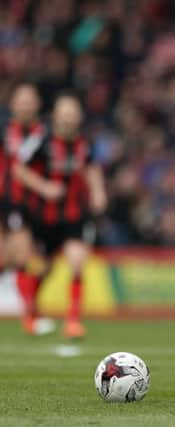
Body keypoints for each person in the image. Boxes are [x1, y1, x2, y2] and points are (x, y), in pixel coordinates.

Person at [14, 94, 107, 339]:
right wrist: (44, 187)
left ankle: (73, 321)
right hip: (45, 218)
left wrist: (98, 192)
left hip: (75, 215)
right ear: (55, 115)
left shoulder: (84, 142)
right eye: (64, 113)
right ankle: (31, 311)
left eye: (73, 113)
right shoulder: (41, 140)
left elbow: (91, 166)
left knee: (77, 263)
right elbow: (19, 169)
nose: (68, 118)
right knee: (43, 268)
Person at [0, 83, 54, 335]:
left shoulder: (45, 134)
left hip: (37, 207)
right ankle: (31, 316)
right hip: (9, 202)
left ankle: (31, 312)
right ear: (12, 104)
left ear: (38, 104)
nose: (25, 104)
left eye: (30, 100)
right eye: (21, 100)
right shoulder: (3, 129)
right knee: (20, 258)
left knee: (38, 263)